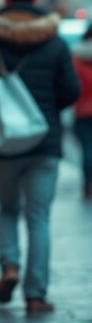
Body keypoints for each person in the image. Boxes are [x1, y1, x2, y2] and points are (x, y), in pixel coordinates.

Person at [0, 0, 79, 314]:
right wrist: (43, 115)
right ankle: (35, 294)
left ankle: (10, 265)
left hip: (4, 146)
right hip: (44, 143)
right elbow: (72, 90)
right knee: (39, 217)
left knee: (8, 208)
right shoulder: (55, 41)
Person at [72, 26, 92, 199]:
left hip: (83, 108)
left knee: (87, 146)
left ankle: (88, 181)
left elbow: (72, 83)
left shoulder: (77, 56)